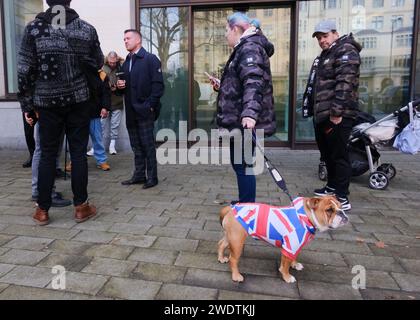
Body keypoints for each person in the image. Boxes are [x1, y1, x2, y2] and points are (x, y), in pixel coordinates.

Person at [17, 0, 103, 225]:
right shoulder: (86, 29)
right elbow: (98, 62)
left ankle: (42, 211)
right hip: (79, 100)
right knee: (77, 153)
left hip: (46, 102)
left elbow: (24, 70)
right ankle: (81, 207)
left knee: (47, 153)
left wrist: (27, 106)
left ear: (47, 2)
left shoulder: (34, 29)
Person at [213, 13, 275, 204]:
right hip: (239, 119)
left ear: (235, 29)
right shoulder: (246, 48)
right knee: (240, 163)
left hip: (244, 121)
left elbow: (253, 82)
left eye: (226, 30)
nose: (225, 35)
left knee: (244, 165)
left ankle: (248, 209)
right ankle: (245, 203)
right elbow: (242, 82)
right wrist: (221, 85)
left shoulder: (249, 48)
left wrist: (249, 113)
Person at [302, 20, 362, 211]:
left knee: (339, 155)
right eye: (319, 38)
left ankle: (342, 196)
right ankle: (332, 187)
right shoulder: (326, 55)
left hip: (338, 115)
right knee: (327, 153)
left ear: (335, 33)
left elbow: (345, 83)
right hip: (323, 114)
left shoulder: (346, 51)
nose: (321, 41)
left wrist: (336, 113)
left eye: (324, 36)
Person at [117, 29, 164, 189]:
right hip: (130, 112)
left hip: (144, 110)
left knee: (147, 145)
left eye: (128, 38)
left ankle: (152, 178)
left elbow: (158, 86)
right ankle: (138, 175)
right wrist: (119, 86)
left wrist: (150, 106)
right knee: (136, 146)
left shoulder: (150, 59)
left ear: (138, 40)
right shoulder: (125, 62)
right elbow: (122, 88)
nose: (125, 41)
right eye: (124, 39)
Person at [96, 51, 124, 155]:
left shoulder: (121, 67)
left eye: (114, 62)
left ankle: (112, 146)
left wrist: (118, 86)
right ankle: (97, 146)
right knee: (100, 125)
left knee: (115, 125)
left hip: (117, 100)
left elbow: (125, 81)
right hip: (104, 102)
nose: (112, 64)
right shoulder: (102, 67)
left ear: (116, 59)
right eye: (110, 62)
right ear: (107, 60)